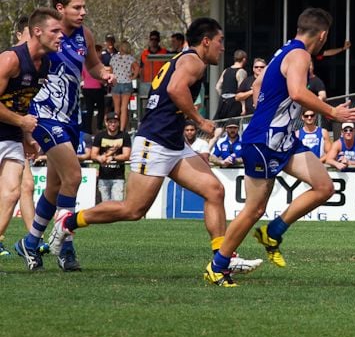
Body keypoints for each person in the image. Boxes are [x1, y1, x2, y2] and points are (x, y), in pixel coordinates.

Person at [47, 17, 261, 279]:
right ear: (206, 41)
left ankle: (222, 258)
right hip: (155, 142)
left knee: (214, 191)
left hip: (172, 142)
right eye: (220, 41)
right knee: (133, 210)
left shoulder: (187, 60)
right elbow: (174, 89)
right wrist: (199, 119)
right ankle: (68, 222)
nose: (223, 47)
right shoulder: (193, 61)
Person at [206, 7, 355, 285]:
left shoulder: (284, 51)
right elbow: (297, 92)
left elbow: (258, 83)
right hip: (264, 141)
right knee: (254, 209)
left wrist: (266, 107)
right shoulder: (301, 55)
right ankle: (217, 266)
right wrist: (332, 113)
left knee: (324, 187)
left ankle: (273, 232)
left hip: (283, 140)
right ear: (323, 34)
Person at [16, 0, 116, 273]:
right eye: (77, 8)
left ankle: (30, 242)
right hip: (43, 115)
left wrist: (105, 74)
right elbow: (20, 63)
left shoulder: (85, 36)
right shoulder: (42, 34)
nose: (83, 12)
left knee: (55, 187)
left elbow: (94, 67)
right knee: (73, 175)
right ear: (60, 9)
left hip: (71, 118)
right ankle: (65, 246)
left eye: (84, 7)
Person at [0, 9, 61, 260]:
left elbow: (20, 102)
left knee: (14, 191)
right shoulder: (11, 59)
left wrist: (26, 135)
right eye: (55, 31)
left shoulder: (44, 63)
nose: (60, 37)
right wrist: (21, 122)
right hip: (10, 126)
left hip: (11, 133)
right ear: (37, 32)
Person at [90, 113, 131, 201]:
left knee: (116, 203)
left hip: (118, 177)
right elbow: (93, 154)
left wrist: (113, 158)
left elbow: (127, 155)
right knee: (104, 205)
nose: (113, 124)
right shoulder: (100, 136)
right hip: (103, 176)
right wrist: (99, 158)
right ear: (106, 123)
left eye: (115, 122)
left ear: (118, 123)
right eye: (110, 122)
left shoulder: (125, 136)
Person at [109, 40, 139, 132]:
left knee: (117, 108)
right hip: (126, 83)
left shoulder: (114, 58)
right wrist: (133, 76)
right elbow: (137, 68)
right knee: (124, 108)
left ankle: (115, 127)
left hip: (116, 83)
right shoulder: (130, 58)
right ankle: (122, 129)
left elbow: (110, 71)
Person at [215, 49, 247, 120]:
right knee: (234, 125)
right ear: (244, 59)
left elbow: (217, 87)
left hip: (223, 102)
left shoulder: (226, 70)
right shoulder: (241, 71)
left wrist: (223, 96)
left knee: (221, 125)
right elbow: (241, 90)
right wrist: (243, 107)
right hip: (234, 102)